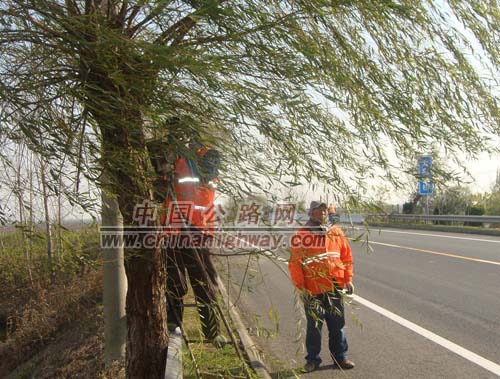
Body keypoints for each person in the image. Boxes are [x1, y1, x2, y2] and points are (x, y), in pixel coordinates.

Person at [149, 132, 224, 344]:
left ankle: (211, 331)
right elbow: (158, 192)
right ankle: (174, 327)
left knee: (203, 280)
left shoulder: (207, 155)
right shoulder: (167, 159)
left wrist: (182, 154)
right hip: (172, 229)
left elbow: (206, 174)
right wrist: (162, 179)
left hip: (198, 228)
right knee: (173, 280)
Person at [288, 201, 355, 372]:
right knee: (314, 326)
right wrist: (300, 286)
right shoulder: (302, 234)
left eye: (324, 211)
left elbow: (346, 257)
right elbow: (295, 263)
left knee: (337, 325)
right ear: (311, 213)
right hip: (312, 288)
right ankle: (312, 360)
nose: (322, 213)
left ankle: (340, 358)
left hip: (334, 286)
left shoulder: (336, 232)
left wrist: (348, 279)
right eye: (318, 211)